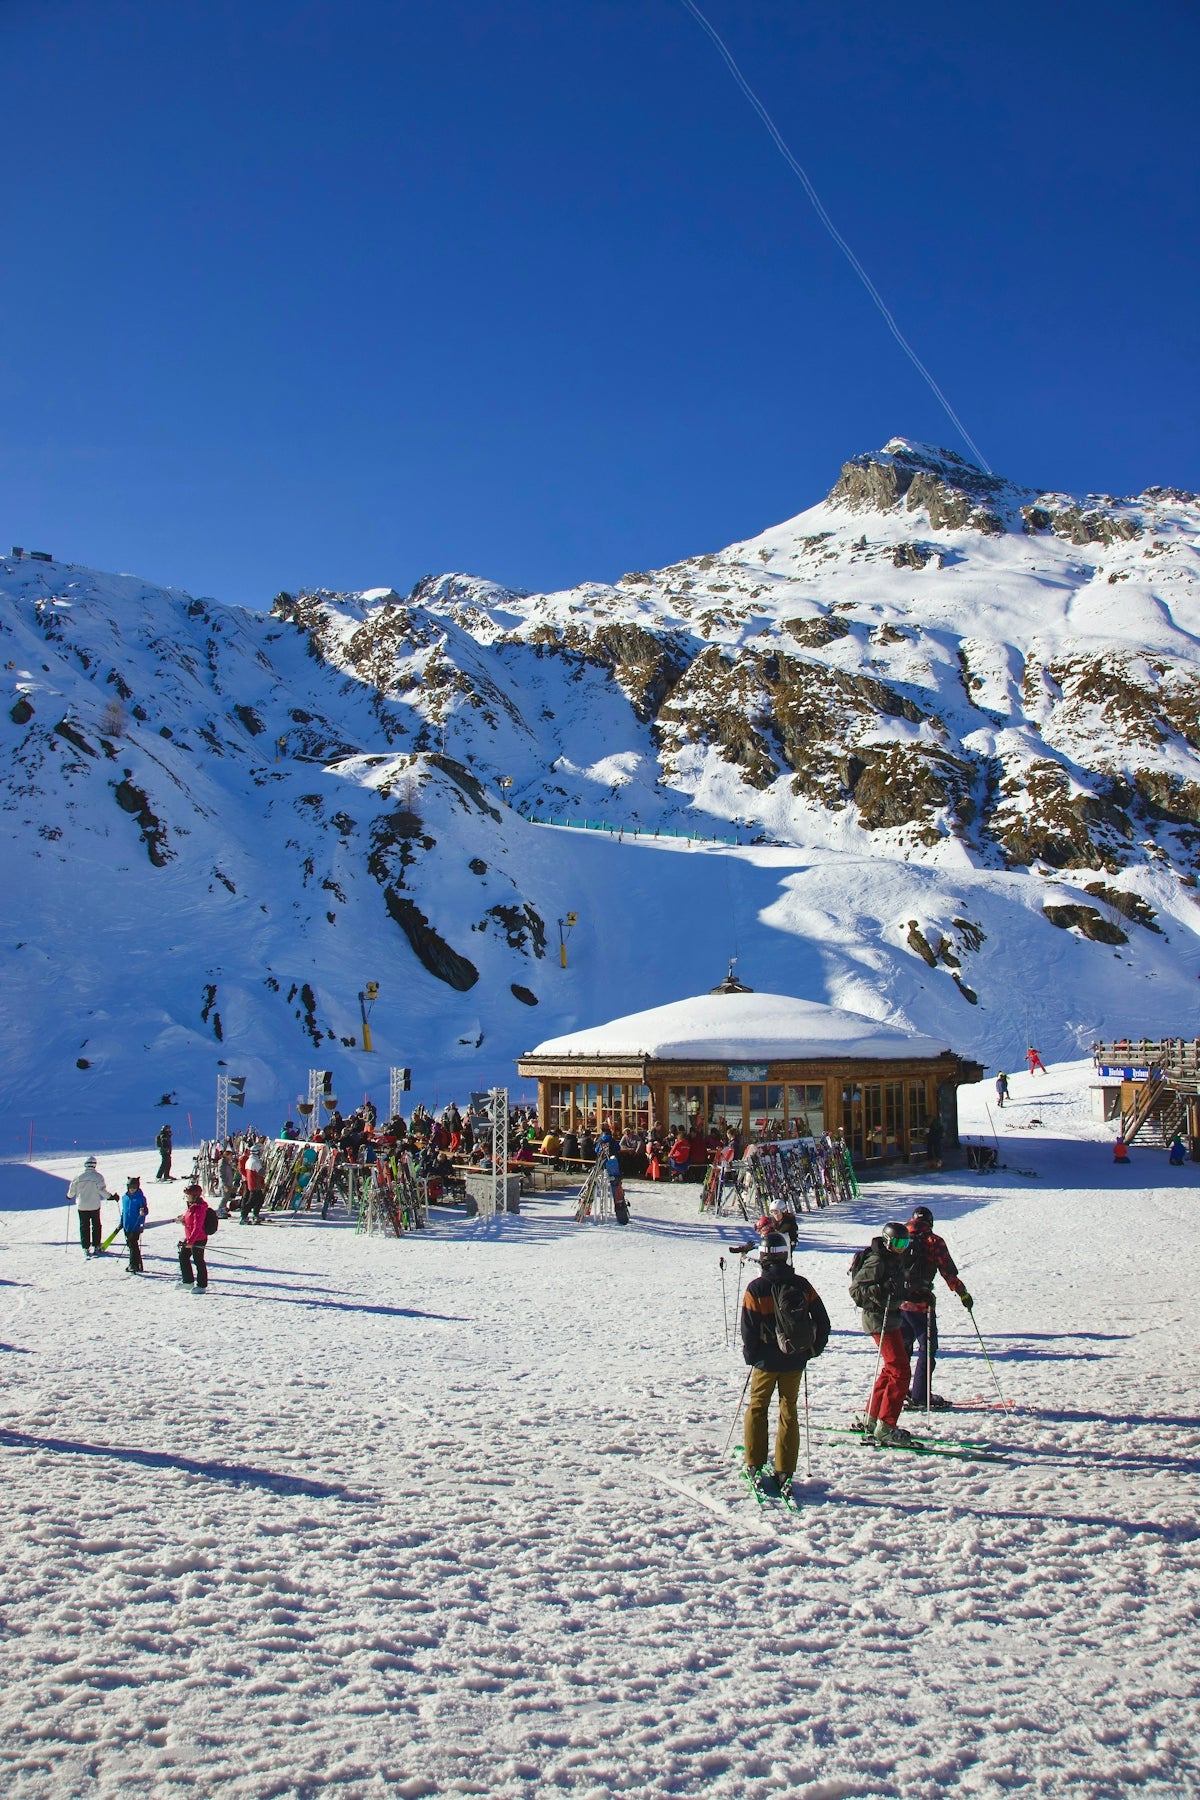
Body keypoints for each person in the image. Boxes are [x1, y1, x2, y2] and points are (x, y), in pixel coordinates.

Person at [740, 1231, 830, 1498]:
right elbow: (823, 1322)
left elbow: (748, 1329)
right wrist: (811, 1349)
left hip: (765, 1361)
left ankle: (755, 1462)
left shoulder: (756, 1288)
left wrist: (752, 1356)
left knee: (758, 1407)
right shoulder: (802, 1285)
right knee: (789, 1410)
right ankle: (785, 1469)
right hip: (795, 1359)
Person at [900, 1205, 973, 1411]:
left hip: (898, 1304)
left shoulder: (900, 1237)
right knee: (927, 1348)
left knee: (903, 1348)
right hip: (922, 1305)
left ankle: (899, 1390)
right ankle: (920, 1395)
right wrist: (963, 1294)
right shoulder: (933, 1241)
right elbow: (948, 1272)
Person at [849, 1222, 916, 1446]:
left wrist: (918, 1294)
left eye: (904, 1243)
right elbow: (856, 1290)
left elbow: (898, 1286)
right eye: (897, 1243)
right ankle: (886, 1427)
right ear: (887, 1241)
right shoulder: (877, 1260)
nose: (901, 1248)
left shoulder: (894, 1259)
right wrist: (880, 1290)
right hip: (879, 1319)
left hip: (892, 1317)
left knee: (891, 1369)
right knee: (900, 1371)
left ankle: (872, 1418)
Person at [67, 1154, 110, 1257]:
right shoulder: (98, 1177)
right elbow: (102, 1190)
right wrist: (110, 1197)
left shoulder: (78, 1176)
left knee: (84, 1226)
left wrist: (69, 1196)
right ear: (95, 1165)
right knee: (96, 1226)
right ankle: (96, 1246)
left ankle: (85, 1248)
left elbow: (72, 1191)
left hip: (82, 1206)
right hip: (94, 1205)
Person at [177, 1182, 211, 1291]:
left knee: (198, 1261)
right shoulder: (192, 1206)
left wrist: (191, 1242)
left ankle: (202, 1286)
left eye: (188, 1196)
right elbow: (190, 1220)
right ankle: (188, 1282)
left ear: (195, 1196)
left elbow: (197, 1227)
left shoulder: (199, 1208)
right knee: (183, 1257)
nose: (186, 1198)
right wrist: (183, 1220)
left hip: (199, 1239)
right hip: (190, 1238)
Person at [120, 1175, 149, 1273]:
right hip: (126, 1225)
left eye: (134, 1188)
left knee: (132, 1245)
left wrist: (143, 1211)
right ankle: (138, 1264)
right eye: (130, 1187)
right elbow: (124, 1211)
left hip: (136, 1225)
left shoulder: (140, 1198)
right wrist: (121, 1223)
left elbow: (145, 1210)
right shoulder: (125, 1198)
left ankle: (132, 1265)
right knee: (132, 1245)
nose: (132, 1189)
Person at [241, 1140, 266, 1222]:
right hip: (255, 1184)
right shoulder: (255, 1161)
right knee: (251, 1201)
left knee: (260, 1199)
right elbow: (261, 1172)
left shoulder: (249, 1160)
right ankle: (243, 1217)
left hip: (253, 1183)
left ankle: (255, 1214)